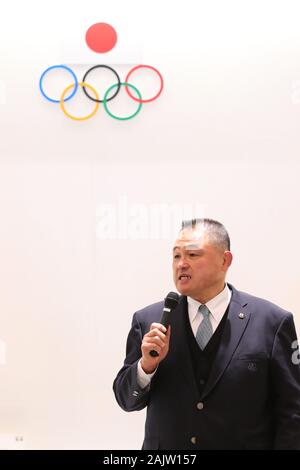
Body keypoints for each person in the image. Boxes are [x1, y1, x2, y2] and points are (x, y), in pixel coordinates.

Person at [113, 218, 300, 450]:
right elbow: (126, 400)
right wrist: (146, 366)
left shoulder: (272, 322)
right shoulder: (148, 320)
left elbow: (293, 412)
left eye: (192, 255)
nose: (181, 264)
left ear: (225, 260)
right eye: (176, 256)